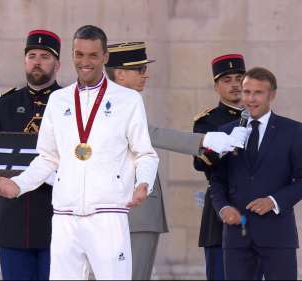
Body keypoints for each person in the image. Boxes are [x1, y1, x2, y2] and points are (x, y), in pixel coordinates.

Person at [0, 25, 159, 280]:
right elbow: (47, 157)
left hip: (108, 215)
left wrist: (143, 182)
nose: (85, 62)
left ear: (105, 57)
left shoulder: (128, 100)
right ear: (72, 55)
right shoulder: (59, 101)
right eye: (79, 54)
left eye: (92, 55)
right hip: (65, 219)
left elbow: (145, 153)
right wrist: (18, 185)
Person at [104, 42, 250, 280]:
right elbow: (153, 134)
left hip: (133, 210)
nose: (146, 74)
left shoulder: (125, 101)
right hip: (128, 209)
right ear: (120, 73)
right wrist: (208, 140)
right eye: (139, 69)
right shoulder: (111, 103)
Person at [210, 67, 302, 280]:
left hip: (278, 235)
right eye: (247, 92)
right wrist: (223, 208)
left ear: (272, 95)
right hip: (237, 238)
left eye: (258, 93)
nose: (251, 99)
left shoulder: (292, 130)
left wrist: (273, 201)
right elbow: (217, 181)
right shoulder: (225, 132)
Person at [0, 29, 62, 280]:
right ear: (25, 61)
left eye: (45, 56)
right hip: (12, 222)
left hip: (56, 220)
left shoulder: (70, 103)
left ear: (57, 64)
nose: (37, 61)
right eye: (32, 55)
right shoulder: (4, 104)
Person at [194, 54, 259, 280]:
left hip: (256, 210)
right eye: (227, 79)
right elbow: (199, 162)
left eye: (239, 78)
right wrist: (225, 142)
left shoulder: (261, 117)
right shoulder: (208, 121)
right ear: (216, 86)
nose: (234, 84)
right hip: (221, 208)